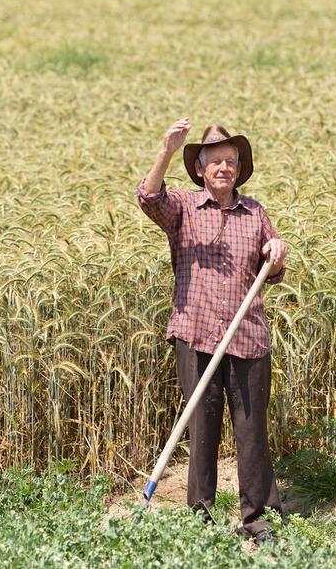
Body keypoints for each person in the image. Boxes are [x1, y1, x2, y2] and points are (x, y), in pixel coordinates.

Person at [137, 117, 287, 543]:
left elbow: (274, 270)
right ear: (200, 169)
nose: (224, 168)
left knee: (251, 430)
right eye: (216, 161)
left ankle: (257, 518)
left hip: (247, 338)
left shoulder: (255, 212)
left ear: (239, 168)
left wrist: (276, 253)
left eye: (231, 161)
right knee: (202, 427)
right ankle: (199, 517)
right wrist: (166, 149)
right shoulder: (183, 208)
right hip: (196, 333)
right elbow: (148, 197)